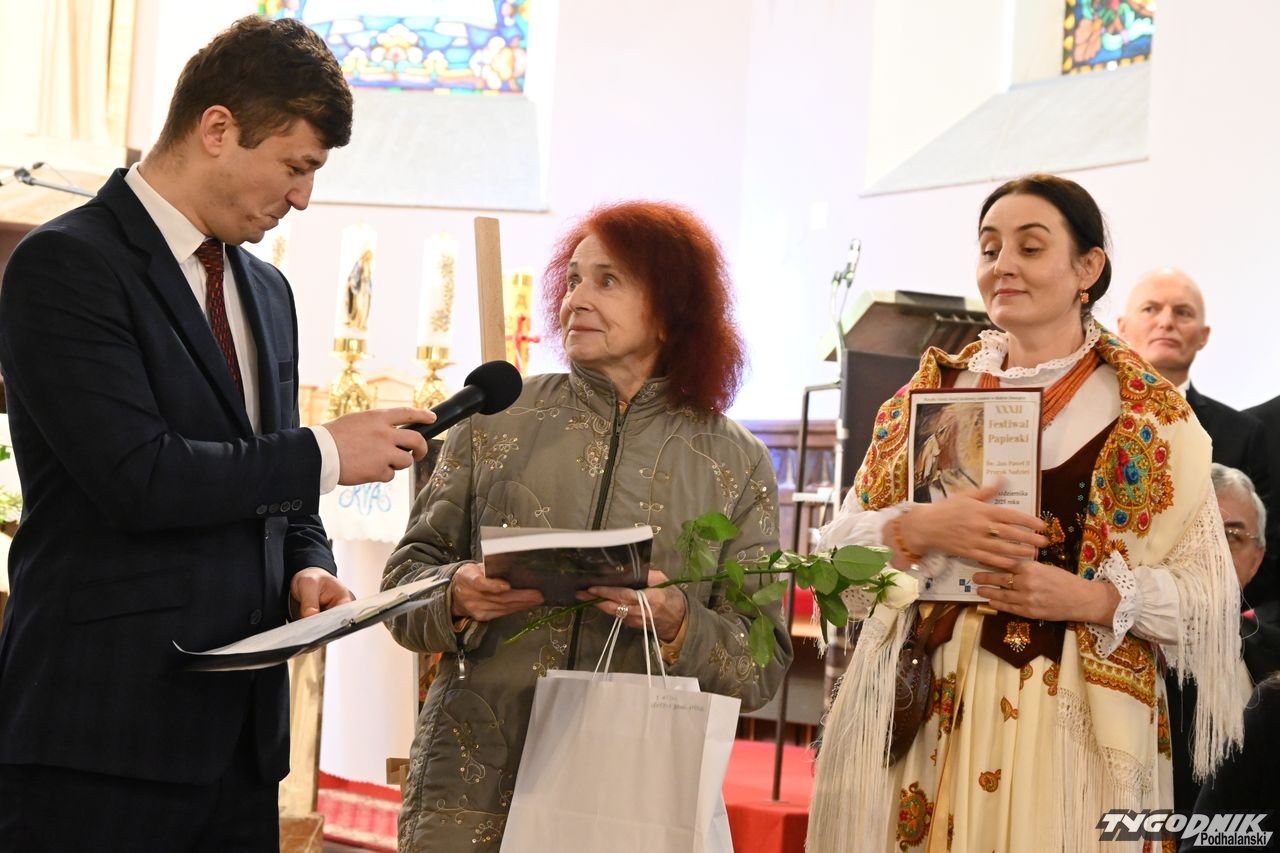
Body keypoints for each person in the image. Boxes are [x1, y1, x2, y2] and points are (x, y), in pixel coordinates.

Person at [0, 17, 434, 852]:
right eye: (296, 166)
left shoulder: (267, 290)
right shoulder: (66, 265)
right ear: (217, 129)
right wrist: (328, 452)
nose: (302, 198)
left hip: (238, 744)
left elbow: (277, 485)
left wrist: (308, 559)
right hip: (102, 733)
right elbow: (139, 477)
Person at [807, 174, 1243, 853]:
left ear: (1087, 269)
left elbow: (1208, 603)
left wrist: (1093, 598)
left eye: (1030, 247)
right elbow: (833, 562)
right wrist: (913, 529)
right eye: (989, 249)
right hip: (929, 697)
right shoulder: (928, 395)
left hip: (1068, 719)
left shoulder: (1151, 415)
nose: (1002, 265)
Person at [382, 200, 793, 850]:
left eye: (608, 280)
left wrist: (678, 621)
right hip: (471, 787)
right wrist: (455, 593)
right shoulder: (495, 421)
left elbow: (760, 668)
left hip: (627, 795)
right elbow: (401, 589)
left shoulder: (734, 462)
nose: (576, 298)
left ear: (671, 307)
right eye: (573, 278)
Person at [1117, 268, 1276, 607]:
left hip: (1209, 616)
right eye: (1150, 309)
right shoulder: (1090, 419)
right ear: (1122, 328)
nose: (1166, 322)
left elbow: (1260, 550)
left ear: (1203, 336)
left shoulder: (1243, 433)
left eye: (1182, 312)